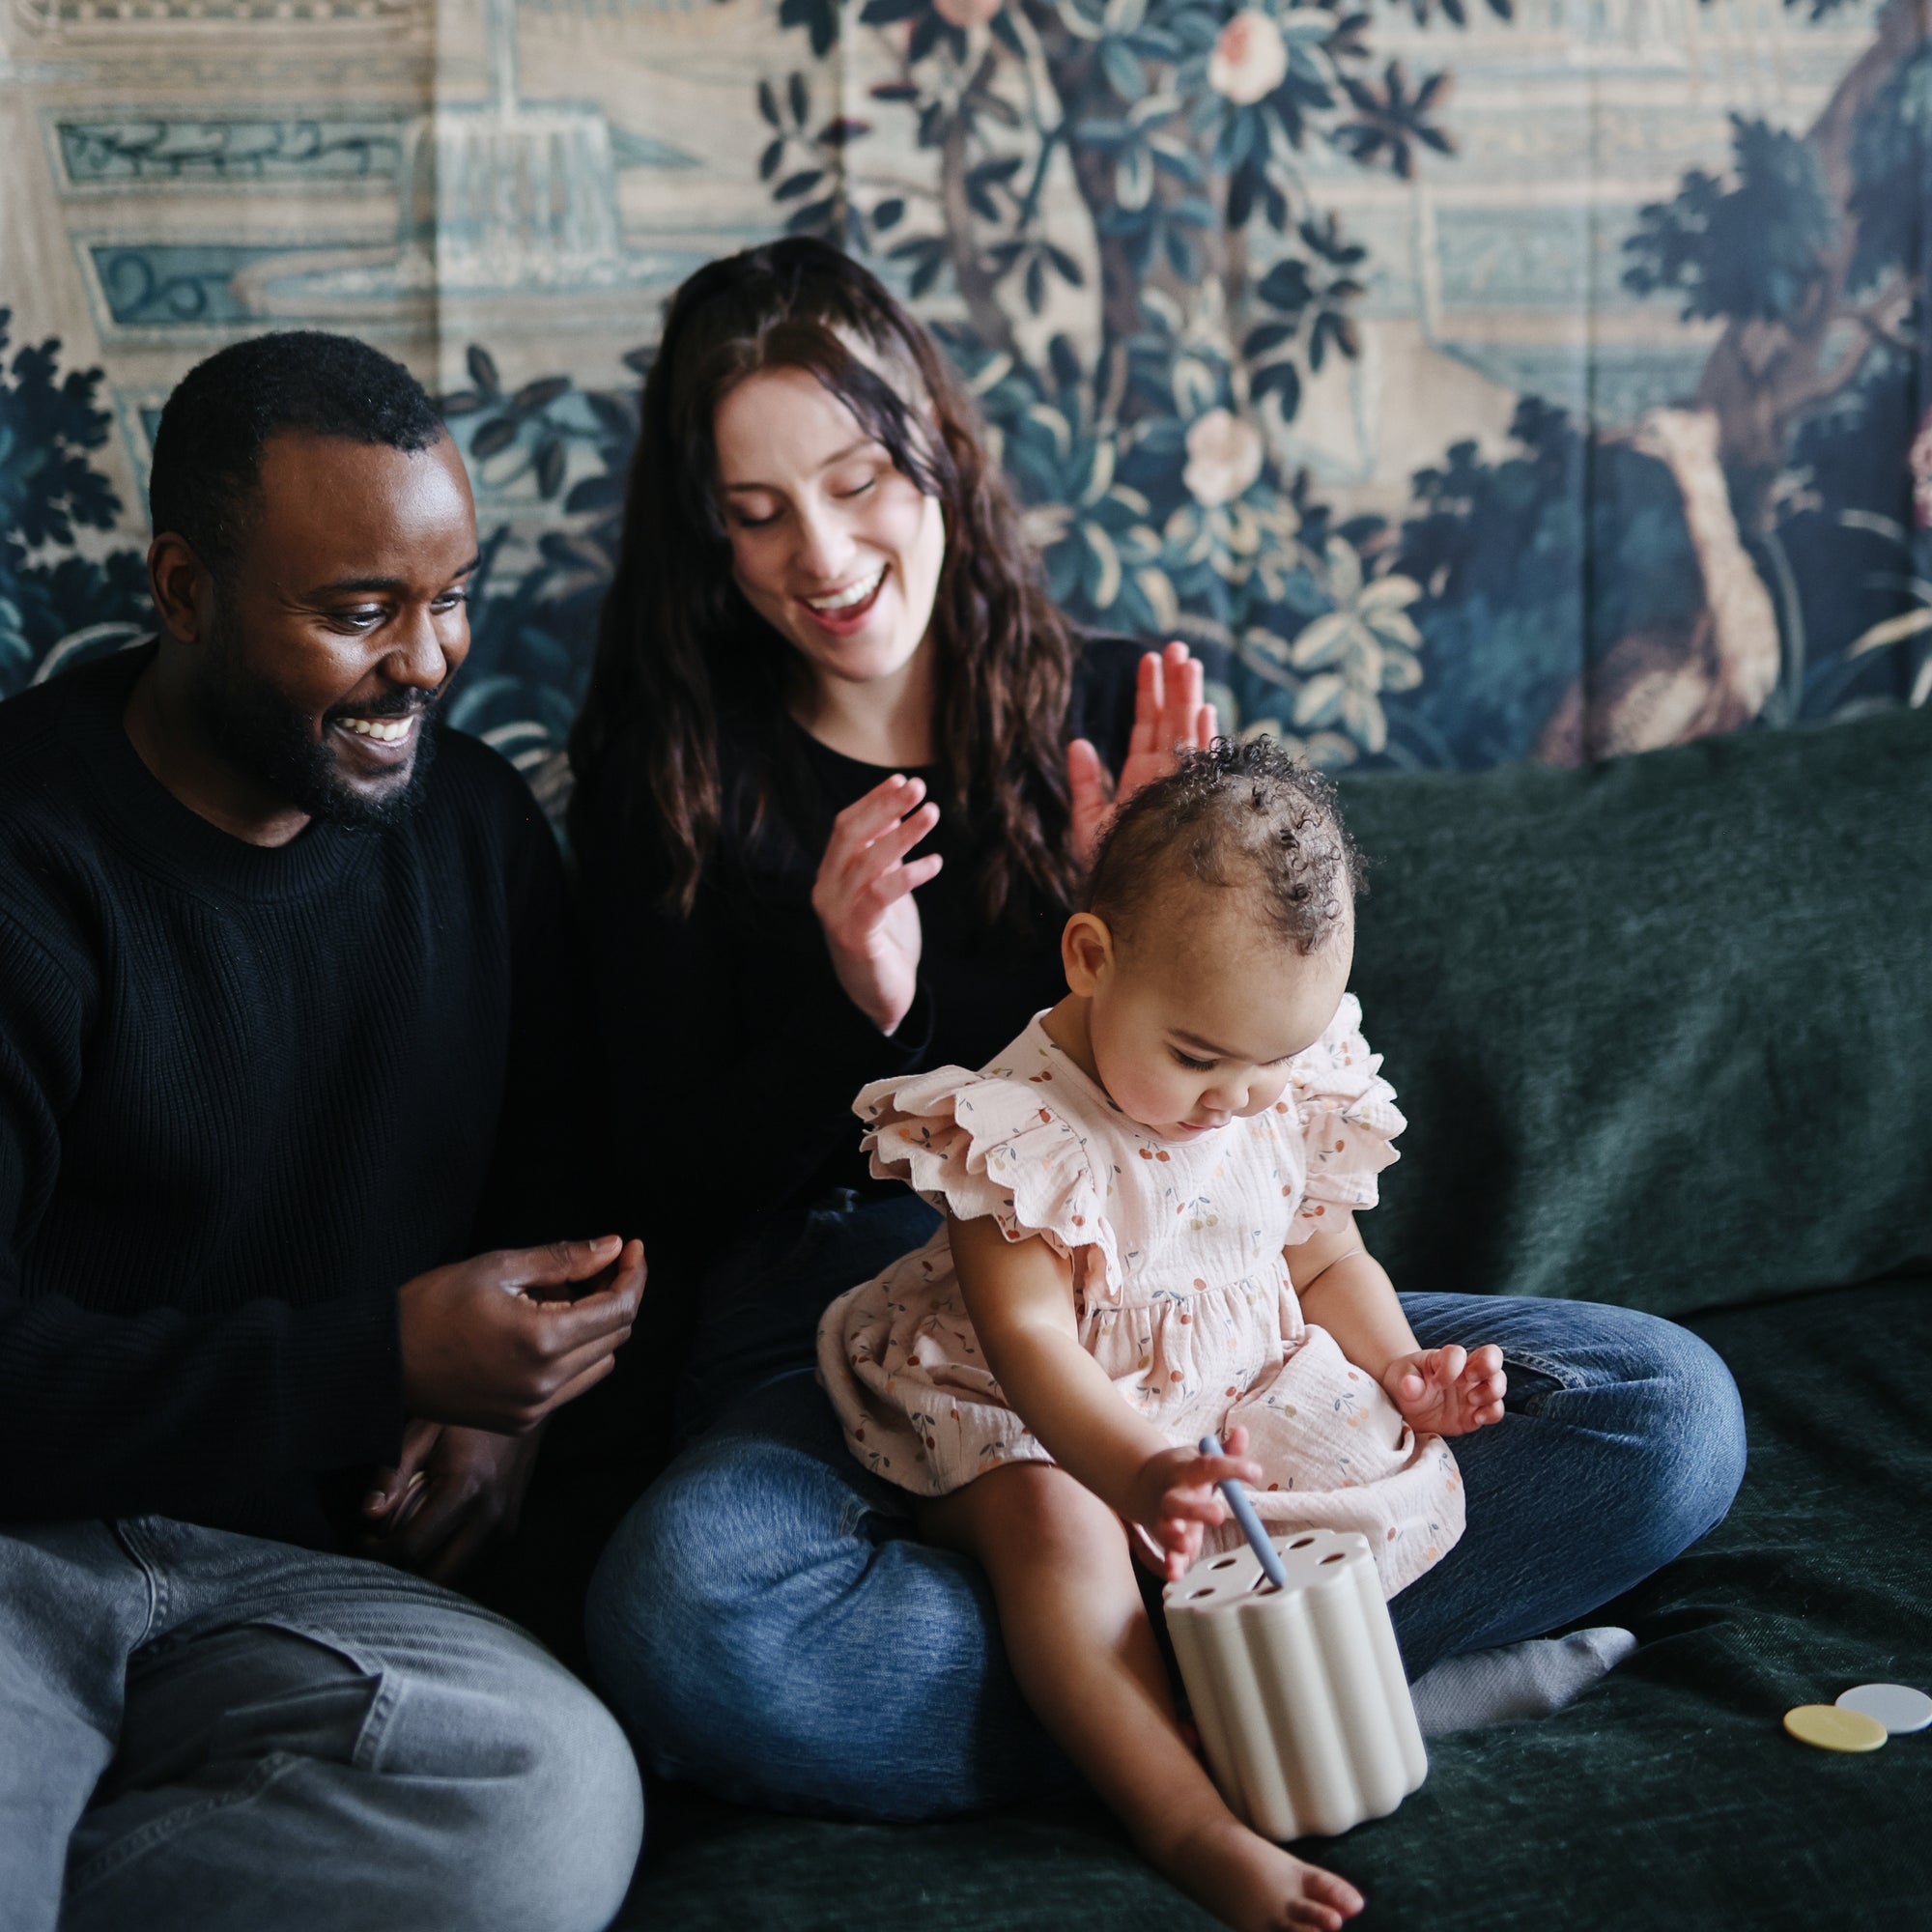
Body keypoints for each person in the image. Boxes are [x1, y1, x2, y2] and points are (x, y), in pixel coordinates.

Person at [575, 238, 1747, 1826]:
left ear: (937, 453)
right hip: (849, 1330)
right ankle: (1300, 1694)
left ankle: (1112, 1697)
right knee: (683, 1616)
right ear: (706, 535)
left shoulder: (1122, 707)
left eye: (860, 483)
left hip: (1192, 1300)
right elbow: (659, 1176)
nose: (826, 556)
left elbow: (1267, 1088)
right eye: (758, 514)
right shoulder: (670, 771)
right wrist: (849, 1009)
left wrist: (1133, 923)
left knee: (1663, 1413)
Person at [0, 331, 644, 1932]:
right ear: (184, 591)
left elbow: (561, 1186)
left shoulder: (484, 837)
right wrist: (377, 1361)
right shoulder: (25, 862)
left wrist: (514, 1406)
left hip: (282, 1588)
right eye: (361, 611)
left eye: (451, 597)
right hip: (15, 1546)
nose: (428, 662)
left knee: (553, 1805)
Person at [818, 740, 1506, 1930]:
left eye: (1272, 1063)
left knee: (1380, 1460)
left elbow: (1324, 1255)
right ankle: (1182, 1814)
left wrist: (1401, 1367)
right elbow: (1032, 1346)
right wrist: (1137, 1468)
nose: (1236, 1101)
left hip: (1229, 1375)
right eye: (1196, 1058)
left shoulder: (1278, 1080)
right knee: (1057, 1527)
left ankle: (1279, 1692)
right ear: (1092, 957)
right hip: (1035, 1412)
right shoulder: (1012, 1133)